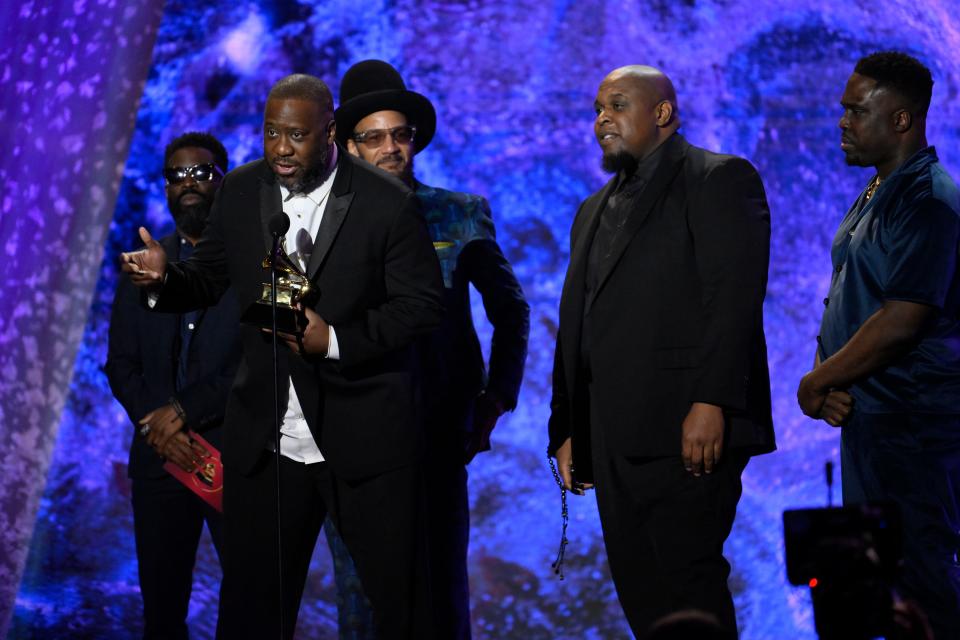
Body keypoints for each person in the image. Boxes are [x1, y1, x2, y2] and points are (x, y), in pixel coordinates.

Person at [119, 74, 444, 639]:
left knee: (401, 605)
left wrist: (336, 339)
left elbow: (420, 307)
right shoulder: (244, 191)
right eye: (271, 134)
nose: (281, 150)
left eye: (296, 135)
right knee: (253, 610)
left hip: (364, 437)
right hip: (269, 440)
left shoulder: (386, 202)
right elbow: (208, 277)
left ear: (331, 132)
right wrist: (163, 279)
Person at [547, 65, 775, 638]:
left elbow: (734, 301)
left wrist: (712, 400)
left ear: (663, 113)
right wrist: (567, 426)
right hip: (613, 437)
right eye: (598, 108)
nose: (603, 118)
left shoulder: (717, 179)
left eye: (618, 105)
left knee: (688, 583)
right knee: (641, 592)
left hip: (687, 430)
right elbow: (577, 323)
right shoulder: (592, 209)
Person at [321, 59, 530, 639]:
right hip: (353, 434)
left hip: (437, 428)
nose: (392, 148)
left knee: (439, 593)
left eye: (401, 135)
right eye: (375, 137)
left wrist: (496, 398)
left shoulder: (457, 213)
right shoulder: (321, 220)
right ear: (347, 144)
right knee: (361, 598)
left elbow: (511, 307)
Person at [798, 51, 960, 639]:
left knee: (921, 584)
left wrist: (817, 382)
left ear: (901, 119)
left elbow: (904, 318)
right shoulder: (875, 192)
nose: (843, 121)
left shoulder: (930, 201)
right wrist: (830, 371)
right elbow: (850, 290)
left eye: (856, 110)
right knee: (879, 588)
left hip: (913, 430)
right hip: (873, 423)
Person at [105, 131, 239, 639]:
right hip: (161, 461)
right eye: (176, 174)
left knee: (249, 601)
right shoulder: (141, 262)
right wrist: (161, 426)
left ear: (223, 181)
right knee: (161, 611)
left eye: (201, 172)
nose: (188, 183)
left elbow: (261, 363)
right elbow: (120, 364)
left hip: (234, 459)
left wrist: (181, 412)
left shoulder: (252, 264)